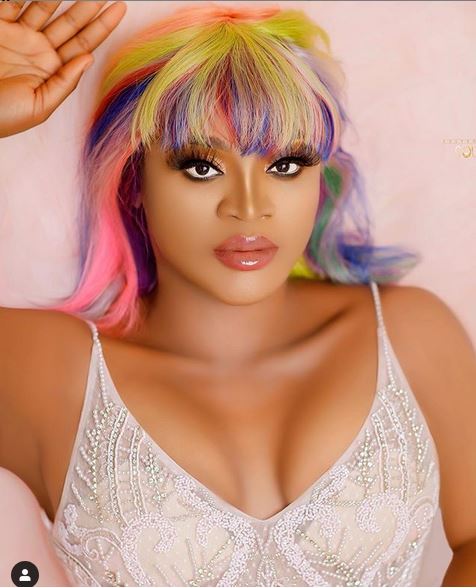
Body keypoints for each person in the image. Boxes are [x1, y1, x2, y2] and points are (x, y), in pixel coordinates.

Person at [0, 1, 475, 586]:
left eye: (286, 164)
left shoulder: (409, 333)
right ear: (133, 179)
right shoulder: (47, 368)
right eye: (202, 167)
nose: (249, 207)